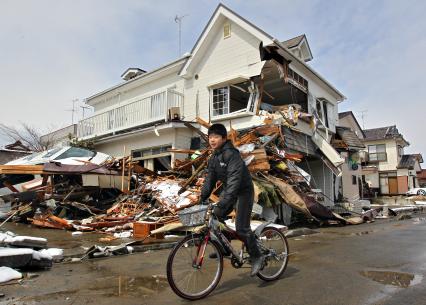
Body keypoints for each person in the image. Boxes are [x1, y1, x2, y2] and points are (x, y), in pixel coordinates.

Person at [200, 123, 264, 276]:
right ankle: (223, 249)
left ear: (223, 138)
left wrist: (223, 201)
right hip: (230, 191)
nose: (212, 140)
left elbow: (235, 181)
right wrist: (202, 197)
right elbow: (210, 179)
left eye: (216, 137)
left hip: (243, 192)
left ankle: (257, 257)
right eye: (210, 137)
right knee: (215, 219)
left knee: (242, 228)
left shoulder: (232, 155)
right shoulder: (214, 157)